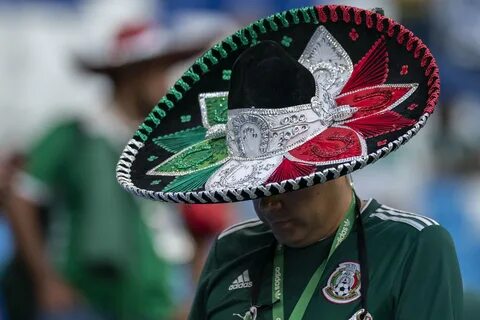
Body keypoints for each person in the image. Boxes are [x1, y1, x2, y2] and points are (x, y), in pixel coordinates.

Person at [115, 5, 463, 319]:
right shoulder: (231, 251)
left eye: (286, 182)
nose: (269, 203)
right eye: (256, 189)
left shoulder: (411, 246)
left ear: (330, 163)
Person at [3, 21, 209, 320]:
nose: (167, 84)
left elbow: (192, 224)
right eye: (159, 72)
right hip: (83, 303)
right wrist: (46, 279)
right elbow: (19, 197)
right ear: (132, 75)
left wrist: (191, 293)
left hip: (156, 305)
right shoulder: (75, 134)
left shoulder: (169, 143)